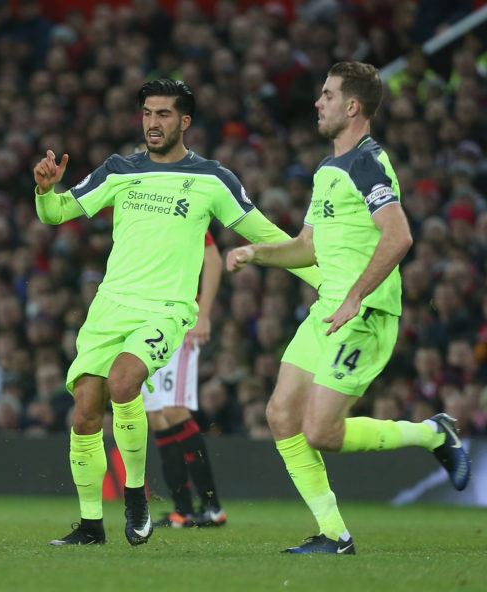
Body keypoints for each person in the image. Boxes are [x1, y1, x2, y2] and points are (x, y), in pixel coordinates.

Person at [33, 79, 321, 546]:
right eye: (147, 113)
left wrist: (331, 285)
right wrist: (46, 191)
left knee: (125, 383)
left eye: (163, 114)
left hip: (166, 310)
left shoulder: (213, 179)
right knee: (85, 411)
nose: (152, 123)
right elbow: (57, 214)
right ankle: (90, 526)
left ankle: (135, 499)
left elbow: (267, 235)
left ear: (184, 121)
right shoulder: (119, 170)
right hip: (109, 307)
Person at [226, 62, 471, 555]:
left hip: (363, 315)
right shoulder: (327, 170)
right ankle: (334, 535)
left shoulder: (367, 163)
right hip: (327, 313)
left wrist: (356, 295)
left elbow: (399, 235)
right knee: (279, 414)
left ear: (352, 106)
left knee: (320, 432)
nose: (318, 103)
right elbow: (307, 248)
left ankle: (431, 434)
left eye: (327, 95)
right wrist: (258, 254)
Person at [145, 231, 227, 528]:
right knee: (157, 416)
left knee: (174, 411)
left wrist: (203, 313)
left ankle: (211, 507)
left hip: (178, 319)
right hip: (146, 322)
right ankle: (183, 509)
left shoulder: (183, 209)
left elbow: (213, 259)